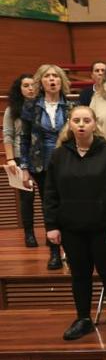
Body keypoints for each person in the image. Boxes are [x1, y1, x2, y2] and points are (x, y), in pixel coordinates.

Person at [44, 106, 106, 341]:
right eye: (77, 120)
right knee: (79, 275)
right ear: (69, 124)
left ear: (95, 124)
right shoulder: (59, 156)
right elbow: (50, 192)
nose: (81, 125)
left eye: (86, 120)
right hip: (72, 228)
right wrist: (51, 225)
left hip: (104, 228)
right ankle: (83, 319)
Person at [19, 64, 71, 270]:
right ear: (41, 81)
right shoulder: (31, 106)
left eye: (56, 76)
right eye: (48, 76)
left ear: (61, 81)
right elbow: (24, 139)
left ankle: (70, 250)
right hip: (40, 164)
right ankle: (54, 253)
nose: (52, 80)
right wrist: (24, 168)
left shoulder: (70, 105)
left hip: (66, 162)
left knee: (67, 207)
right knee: (49, 208)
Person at [4, 74, 39, 247]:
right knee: (27, 199)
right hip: (20, 156)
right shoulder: (12, 109)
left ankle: (51, 233)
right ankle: (29, 234)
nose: (30, 88)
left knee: (49, 197)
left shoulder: (43, 106)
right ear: (20, 89)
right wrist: (10, 159)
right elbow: (8, 135)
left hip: (43, 157)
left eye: (33, 85)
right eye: (26, 85)